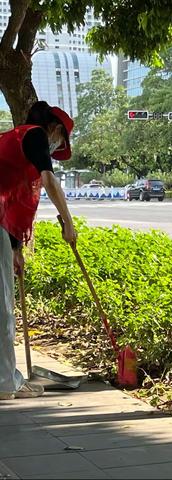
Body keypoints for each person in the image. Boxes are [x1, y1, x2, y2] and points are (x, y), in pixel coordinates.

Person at [0, 101, 77, 400]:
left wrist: (15, 249)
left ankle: (9, 378)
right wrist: (68, 222)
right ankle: (6, 382)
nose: (55, 149)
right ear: (55, 130)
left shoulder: (16, 140)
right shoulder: (33, 136)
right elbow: (49, 180)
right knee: (3, 306)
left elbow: (9, 199)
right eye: (59, 142)